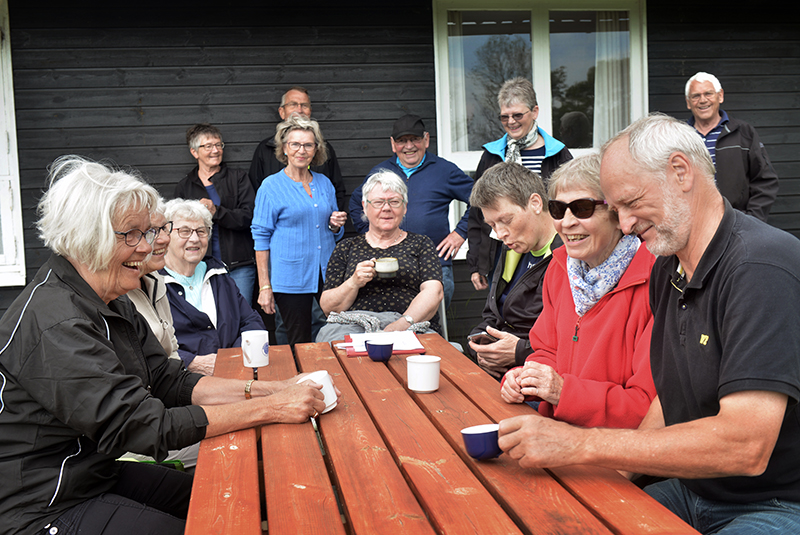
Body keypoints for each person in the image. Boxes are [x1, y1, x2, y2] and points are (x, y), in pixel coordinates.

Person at [499, 114, 800, 535]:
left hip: (775, 504)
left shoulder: (760, 267)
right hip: (692, 489)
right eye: (616, 209)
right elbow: (667, 397)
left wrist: (581, 445)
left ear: (681, 171)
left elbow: (746, 446)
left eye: (631, 203)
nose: (624, 225)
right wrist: (614, 476)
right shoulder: (667, 270)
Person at [0, 156, 333, 535]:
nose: (148, 247)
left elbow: (167, 379)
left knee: (231, 496)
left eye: (149, 232)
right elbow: (144, 427)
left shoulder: (110, 296)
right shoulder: (56, 320)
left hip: (92, 473)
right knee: (213, 524)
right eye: (132, 234)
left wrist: (271, 389)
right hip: (41, 505)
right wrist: (269, 408)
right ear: (87, 235)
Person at [498, 153, 656, 428]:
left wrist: (563, 392)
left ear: (619, 216)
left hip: (616, 453)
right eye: (558, 209)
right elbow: (546, 350)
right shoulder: (559, 269)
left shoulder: (656, 282)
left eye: (582, 208)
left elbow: (648, 407)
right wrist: (524, 377)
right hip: (556, 433)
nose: (566, 222)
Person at [349, 114, 473, 308]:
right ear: (393, 144)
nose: (409, 146)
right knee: (393, 321)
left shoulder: (444, 170)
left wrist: (460, 233)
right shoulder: (380, 172)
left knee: (431, 325)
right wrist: (370, 235)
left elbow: (481, 199)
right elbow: (357, 202)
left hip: (434, 264)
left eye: (415, 139)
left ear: (426, 139)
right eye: (402, 141)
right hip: (389, 265)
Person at [467, 77, 572, 291]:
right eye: (504, 117)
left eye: (517, 115)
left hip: (547, 247)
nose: (511, 122)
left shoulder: (557, 152)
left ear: (534, 111)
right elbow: (477, 212)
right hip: (500, 248)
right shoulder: (492, 155)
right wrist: (477, 263)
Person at [252, 115, 347, 345]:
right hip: (290, 277)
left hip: (327, 273)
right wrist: (265, 286)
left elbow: (334, 230)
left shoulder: (324, 183)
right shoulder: (271, 186)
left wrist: (335, 226)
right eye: (295, 144)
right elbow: (260, 237)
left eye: (308, 145)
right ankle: (300, 380)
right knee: (298, 341)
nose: (301, 150)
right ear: (285, 148)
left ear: (316, 150)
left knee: (334, 335)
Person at [318, 170, 443, 341]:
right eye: (378, 202)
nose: (386, 208)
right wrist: (354, 282)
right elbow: (328, 308)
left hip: (411, 326)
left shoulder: (421, 244)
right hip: (353, 328)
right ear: (365, 206)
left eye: (394, 202)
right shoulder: (346, 247)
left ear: (405, 207)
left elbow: (433, 292)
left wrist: (400, 325)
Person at [466, 162, 561, 379]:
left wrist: (519, 352)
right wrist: (479, 346)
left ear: (536, 203)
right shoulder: (512, 248)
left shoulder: (569, 256)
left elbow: (573, 341)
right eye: (491, 225)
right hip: (504, 372)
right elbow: (492, 314)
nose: (499, 234)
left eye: (506, 220)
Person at [125, 200, 200, 468]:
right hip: (146, 432)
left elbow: (172, 360)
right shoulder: (118, 293)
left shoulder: (156, 281)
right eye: (153, 231)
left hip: (171, 411)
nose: (164, 239)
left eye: (164, 228)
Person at [162, 198, 265, 375]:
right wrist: (191, 362)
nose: (194, 239)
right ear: (166, 235)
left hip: (233, 374)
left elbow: (251, 321)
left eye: (201, 231)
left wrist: (232, 358)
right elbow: (149, 345)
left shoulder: (218, 274)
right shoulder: (152, 283)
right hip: (181, 383)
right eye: (184, 231)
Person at [174, 123, 257, 305]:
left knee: (241, 316)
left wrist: (216, 212)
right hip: (199, 267)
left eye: (219, 145)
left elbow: (249, 216)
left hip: (239, 266)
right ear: (194, 152)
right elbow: (177, 229)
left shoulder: (238, 178)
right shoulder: (185, 186)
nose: (216, 150)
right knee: (207, 318)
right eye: (208, 146)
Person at [684, 72, 778, 222]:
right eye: (695, 96)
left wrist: (752, 220)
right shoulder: (678, 138)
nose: (702, 100)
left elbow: (765, 181)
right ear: (688, 102)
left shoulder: (744, 133)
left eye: (708, 93)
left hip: (735, 224)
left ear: (720, 96)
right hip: (692, 225)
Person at [248, 85, 346, 211]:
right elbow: (254, 193)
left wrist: (333, 222)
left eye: (304, 105)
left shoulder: (324, 147)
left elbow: (337, 191)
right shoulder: (265, 149)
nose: (299, 110)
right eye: (293, 104)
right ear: (282, 112)